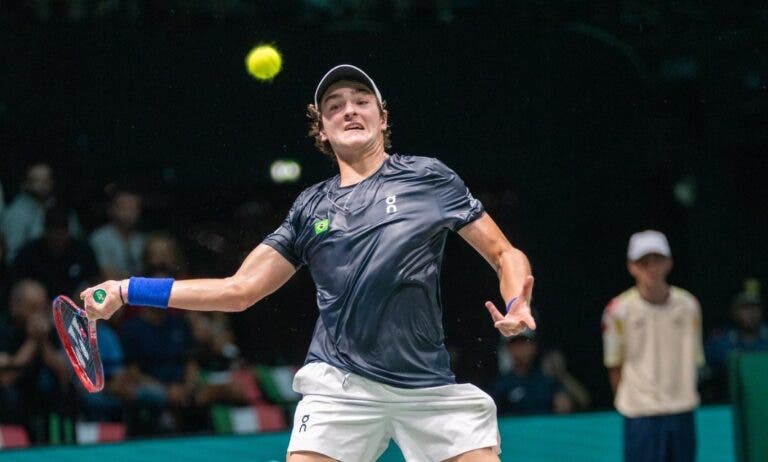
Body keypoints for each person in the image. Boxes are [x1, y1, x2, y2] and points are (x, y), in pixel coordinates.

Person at [81, 64, 535, 462]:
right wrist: (127, 289)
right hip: (342, 386)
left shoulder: (428, 178)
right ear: (321, 128)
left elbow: (504, 253)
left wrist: (515, 300)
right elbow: (239, 291)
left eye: (361, 101)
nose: (350, 110)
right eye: (335, 106)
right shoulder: (309, 209)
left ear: (382, 117)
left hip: (427, 385)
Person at [602, 230, 704, 462]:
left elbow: (695, 359)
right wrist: (636, 401)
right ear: (631, 266)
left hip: (682, 412)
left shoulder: (689, 306)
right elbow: (614, 366)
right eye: (643, 262)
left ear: (669, 263)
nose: (651, 268)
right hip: (641, 417)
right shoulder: (617, 310)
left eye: (657, 260)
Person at [8, 205, 100, 298]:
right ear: (45, 231)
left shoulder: (82, 251)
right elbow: (19, 285)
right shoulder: (29, 253)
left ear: (68, 231)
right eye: (54, 232)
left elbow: (94, 280)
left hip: (78, 306)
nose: (58, 238)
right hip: (40, 307)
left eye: (62, 232)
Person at [0, 162, 81, 264]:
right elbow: (11, 254)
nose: (41, 186)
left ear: (52, 182)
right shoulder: (14, 213)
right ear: (25, 183)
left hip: (63, 266)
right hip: (28, 269)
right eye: (36, 181)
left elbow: (75, 241)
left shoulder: (62, 208)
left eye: (45, 181)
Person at [704, 278, 768, 402]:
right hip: (730, 405)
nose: (751, 313)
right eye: (745, 308)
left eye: (755, 308)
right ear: (734, 311)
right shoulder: (720, 342)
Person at [491, 329, 572, 415]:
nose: (522, 349)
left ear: (534, 346)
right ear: (508, 348)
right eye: (516, 344)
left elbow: (580, 401)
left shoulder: (547, 380)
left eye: (526, 342)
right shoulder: (500, 385)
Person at [89, 187, 146, 280]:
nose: (128, 213)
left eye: (132, 208)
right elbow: (108, 276)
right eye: (123, 208)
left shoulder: (142, 240)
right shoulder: (99, 238)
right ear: (111, 209)